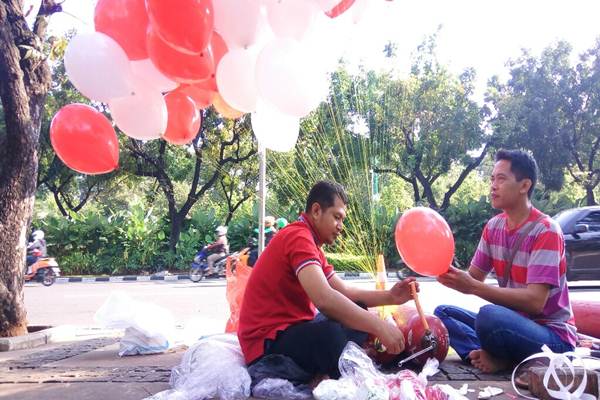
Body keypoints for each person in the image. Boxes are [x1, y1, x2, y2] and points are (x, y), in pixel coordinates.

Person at [238, 181, 417, 380]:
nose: (341, 227)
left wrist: (392, 296)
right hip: (265, 345)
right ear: (316, 210)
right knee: (331, 335)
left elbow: (345, 292)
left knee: (356, 309)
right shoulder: (298, 236)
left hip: (291, 331)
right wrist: (379, 326)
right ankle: (330, 367)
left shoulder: (312, 245)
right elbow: (324, 299)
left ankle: (330, 366)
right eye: (337, 217)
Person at [435, 149, 577, 374]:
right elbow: (473, 278)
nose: (493, 185)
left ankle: (504, 360)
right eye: (492, 179)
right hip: (512, 326)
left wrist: (473, 287)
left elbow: (534, 302)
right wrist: (444, 268)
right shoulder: (493, 227)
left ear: (524, 185)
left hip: (552, 337)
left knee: (490, 316)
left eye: (501, 179)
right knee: (443, 314)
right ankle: (492, 357)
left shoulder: (546, 230)